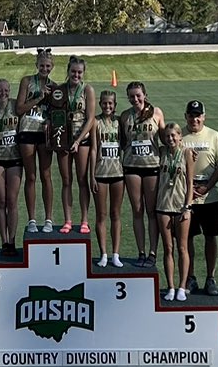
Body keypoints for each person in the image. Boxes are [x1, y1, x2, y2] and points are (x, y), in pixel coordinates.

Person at [182, 100, 218, 296]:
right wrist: (189, 189)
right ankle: (190, 278)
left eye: (198, 115)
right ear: (186, 116)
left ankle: (211, 278)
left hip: (210, 197)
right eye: (191, 115)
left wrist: (207, 186)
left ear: (204, 117)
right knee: (187, 239)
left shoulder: (214, 136)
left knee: (211, 238)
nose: (195, 119)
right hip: (187, 197)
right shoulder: (180, 136)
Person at [120, 81, 165, 268]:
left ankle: (153, 253)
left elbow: (166, 139)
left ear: (145, 95)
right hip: (131, 166)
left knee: (151, 211)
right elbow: (122, 143)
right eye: (131, 96)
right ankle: (141, 252)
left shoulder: (156, 113)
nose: (135, 99)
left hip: (152, 166)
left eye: (138, 95)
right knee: (137, 211)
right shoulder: (125, 116)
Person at [16, 48, 56, 234]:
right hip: (27, 131)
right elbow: (19, 109)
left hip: (44, 134)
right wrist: (39, 97)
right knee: (30, 176)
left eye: (48, 66)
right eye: (41, 65)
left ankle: (48, 219)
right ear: (36, 65)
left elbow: (56, 113)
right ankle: (32, 219)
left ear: (52, 67)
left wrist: (50, 121)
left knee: (46, 175)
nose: (44, 68)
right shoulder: (27, 82)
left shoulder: (55, 86)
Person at [155, 123, 196, 301]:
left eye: (173, 136)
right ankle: (170, 287)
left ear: (180, 136)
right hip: (163, 206)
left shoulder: (187, 153)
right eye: (167, 136)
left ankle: (182, 286)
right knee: (168, 248)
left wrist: (188, 207)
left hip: (181, 207)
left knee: (182, 247)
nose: (170, 139)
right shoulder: (162, 152)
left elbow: (190, 183)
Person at [56, 56, 96, 234]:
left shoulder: (87, 90)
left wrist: (78, 141)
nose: (76, 75)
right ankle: (67, 220)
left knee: (82, 180)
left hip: (82, 140)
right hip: (63, 140)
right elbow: (55, 114)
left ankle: (84, 220)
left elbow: (90, 118)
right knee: (66, 181)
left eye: (79, 72)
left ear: (83, 73)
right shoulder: (61, 89)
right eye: (73, 71)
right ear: (68, 71)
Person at [0, 78, 22, 255]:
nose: (3, 93)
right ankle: (4, 241)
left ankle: (13, 239)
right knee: (1, 201)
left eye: (6, 90)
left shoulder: (16, 105)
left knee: (12, 201)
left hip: (15, 157)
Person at [89, 90, 125, 267]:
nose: (107, 106)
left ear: (115, 105)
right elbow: (94, 149)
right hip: (101, 173)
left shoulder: (120, 122)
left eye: (110, 103)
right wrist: (92, 175)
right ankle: (103, 253)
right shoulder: (96, 122)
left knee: (116, 214)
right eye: (104, 103)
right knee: (101, 215)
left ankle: (115, 254)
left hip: (118, 174)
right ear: (100, 104)